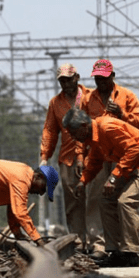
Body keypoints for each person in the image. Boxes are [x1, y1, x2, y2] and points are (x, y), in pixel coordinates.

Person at [63, 108, 139, 267]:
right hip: (133, 169)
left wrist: (112, 178)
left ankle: (132, 252)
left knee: (126, 202)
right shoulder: (93, 138)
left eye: (73, 132)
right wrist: (83, 181)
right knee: (106, 201)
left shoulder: (107, 127)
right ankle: (115, 250)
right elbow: (95, 161)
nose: (72, 137)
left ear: (84, 125)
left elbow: (133, 149)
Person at [78, 59, 139, 256]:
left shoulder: (127, 96)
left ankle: (127, 244)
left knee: (123, 200)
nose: (101, 82)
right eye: (97, 78)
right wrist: (80, 156)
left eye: (104, 78)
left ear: (112, 77)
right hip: (99, 157)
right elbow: (80, 128)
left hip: (123, 156)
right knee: (96, 199)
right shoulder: (88, 99)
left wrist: (122, 114)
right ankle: (99, 244)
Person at [39, 63, 93, 250]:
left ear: (77, 77)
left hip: (93, 154)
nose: (66, 84)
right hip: (68, 158)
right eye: (62, 80)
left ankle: (96, 241)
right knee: (73, 201)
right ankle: (78, 240)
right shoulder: (56, 103)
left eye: (69, 79)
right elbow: (50, 131)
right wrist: (45, 156)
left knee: (94, 198)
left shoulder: (89, 96)